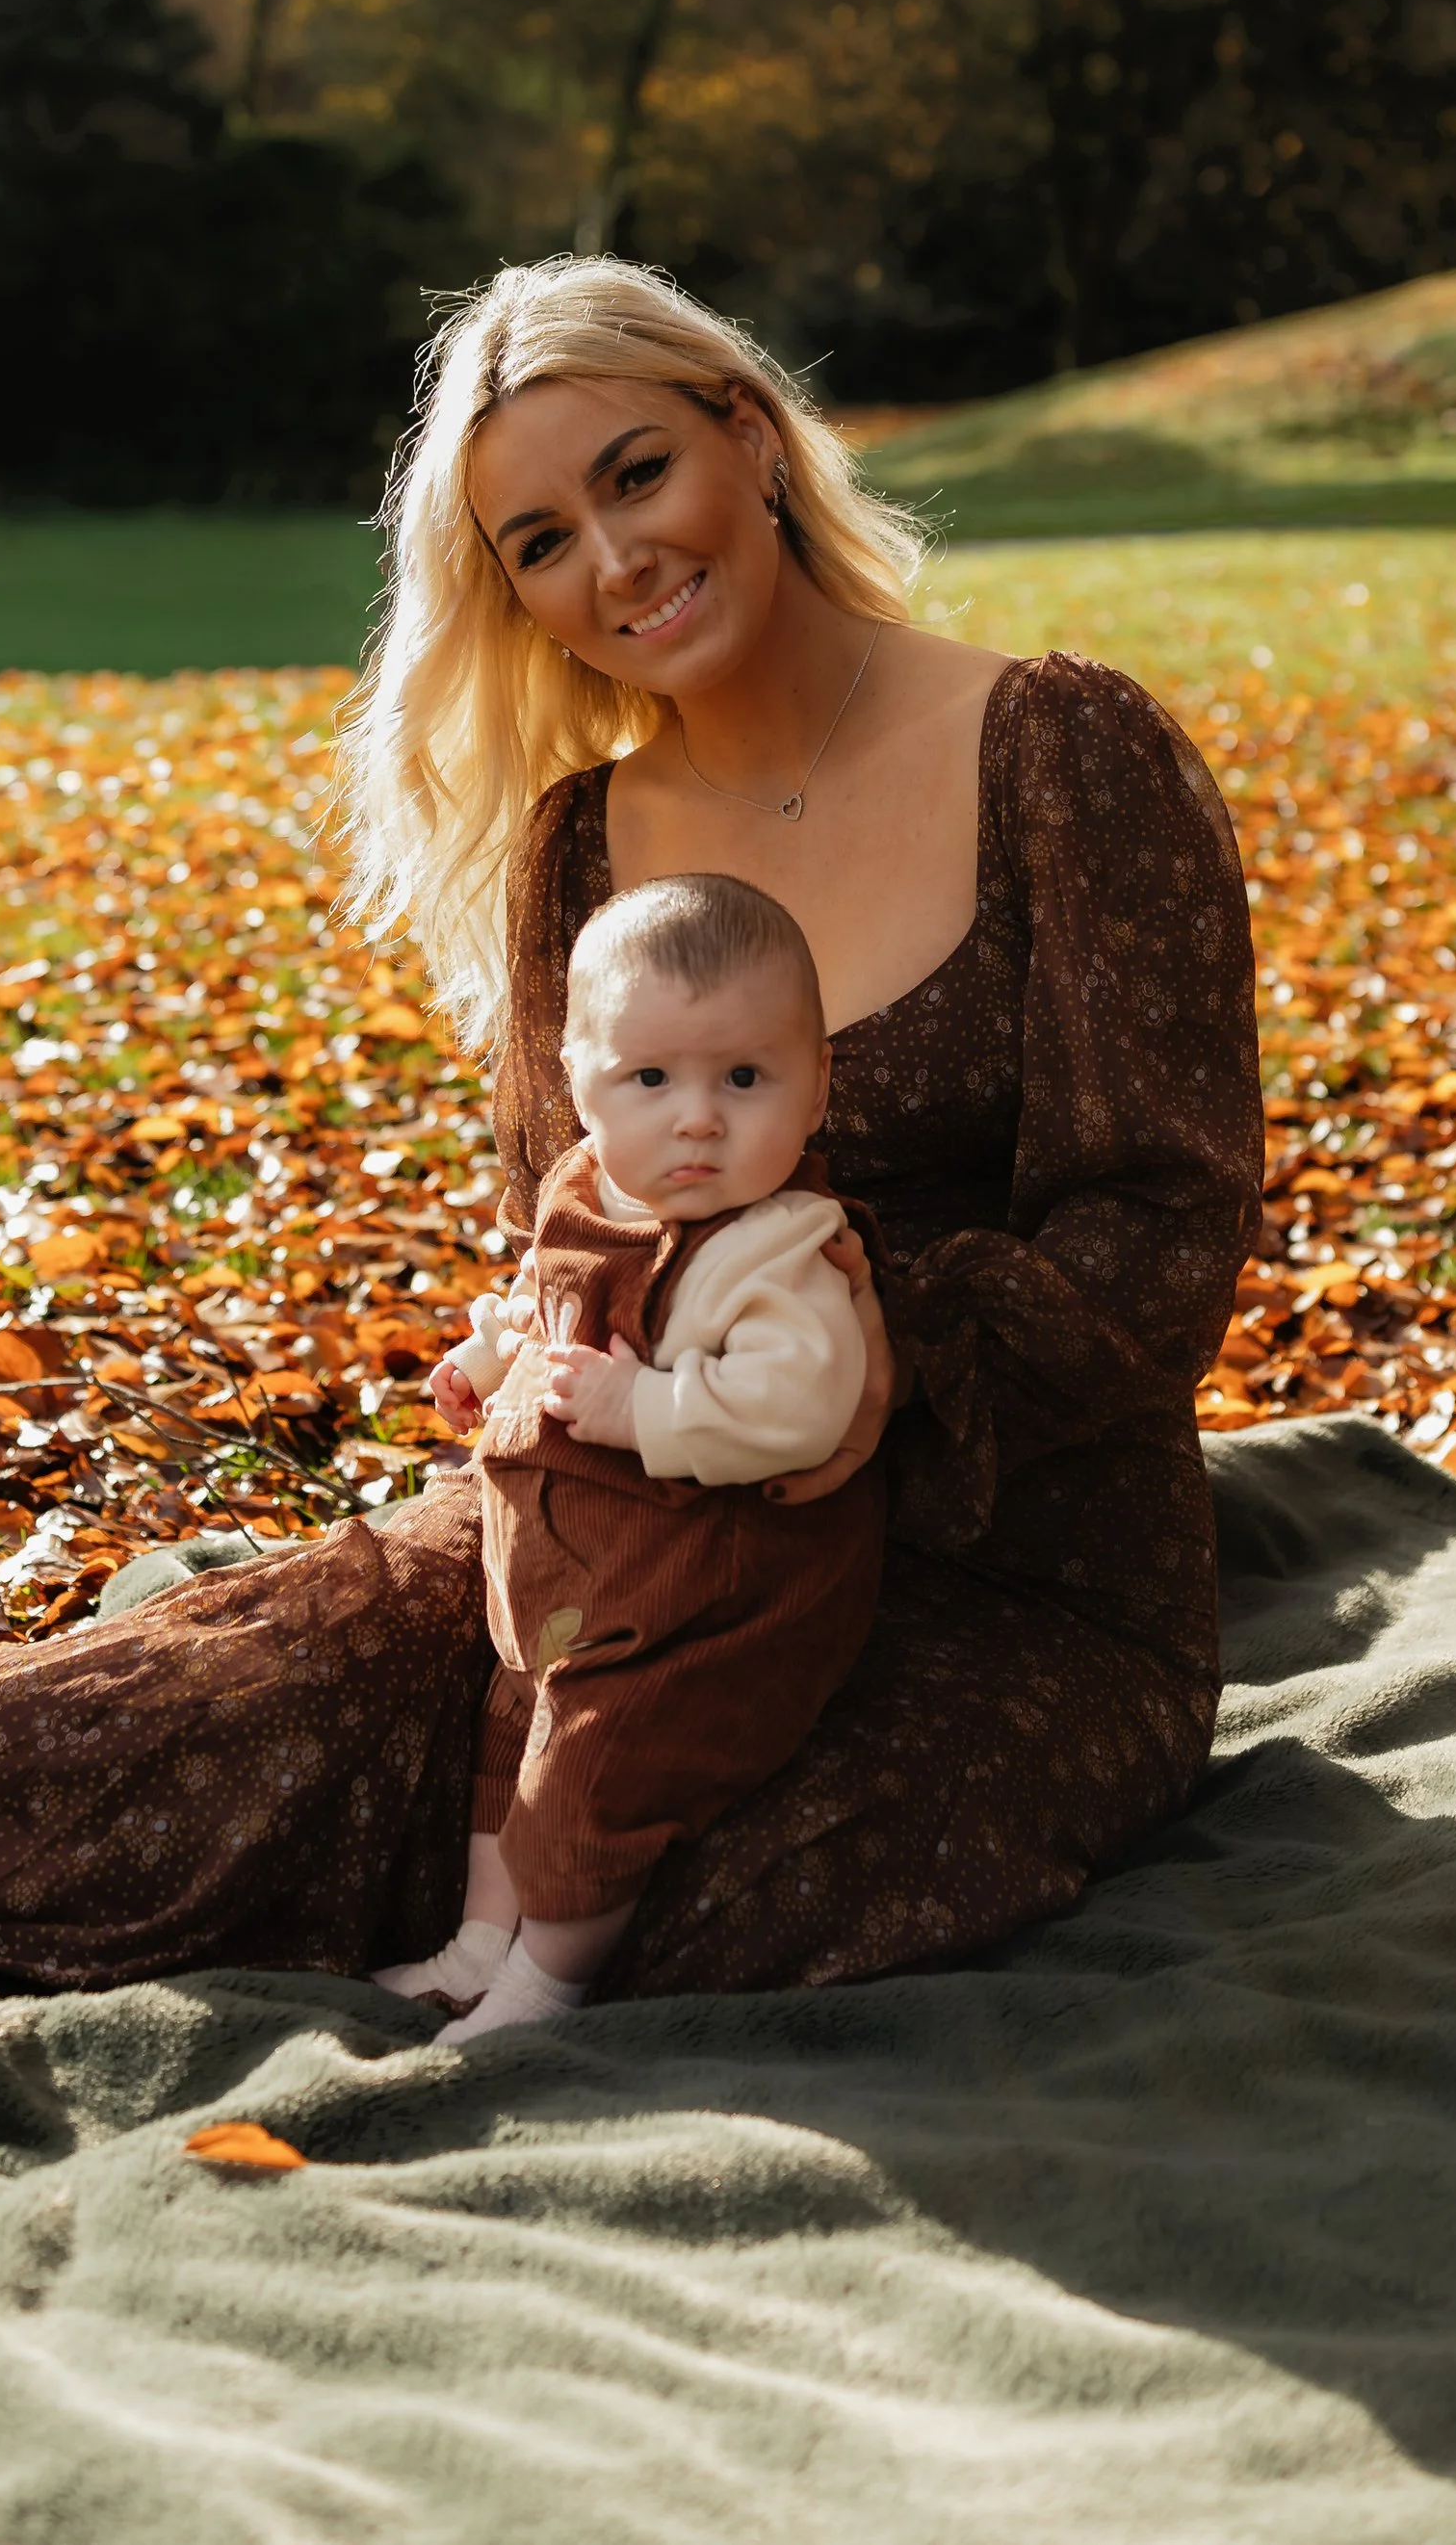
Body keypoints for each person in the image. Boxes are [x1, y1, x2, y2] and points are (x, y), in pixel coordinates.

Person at [0, 256, 1262, 2007]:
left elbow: (1163, 1226)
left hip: (1008, 1564)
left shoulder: (1060, 749)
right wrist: (534, 1350)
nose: (617, 560)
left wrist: (868, 1361)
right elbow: (569, 1221)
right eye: (542, 542)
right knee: (288, 1697)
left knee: (717, 1906)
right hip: (640, 1517)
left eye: (639, 473)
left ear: (746, 435)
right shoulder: (585, 850)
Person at [378, 870, 884, 2040]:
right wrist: (487, 1361)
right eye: (649, 1079)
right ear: (579, 1084)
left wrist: (644, 1406)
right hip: (566, 1573)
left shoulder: (777, 1251)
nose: (696, 1118)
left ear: (816, 1090)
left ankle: (542, 1991)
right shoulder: (584, 1188)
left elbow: (799, 1406)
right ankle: (473, 1943)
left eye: (744, 1079)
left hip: (703, 1592)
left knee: (596, 1776)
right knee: (509, 1738)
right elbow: (539, 1296)